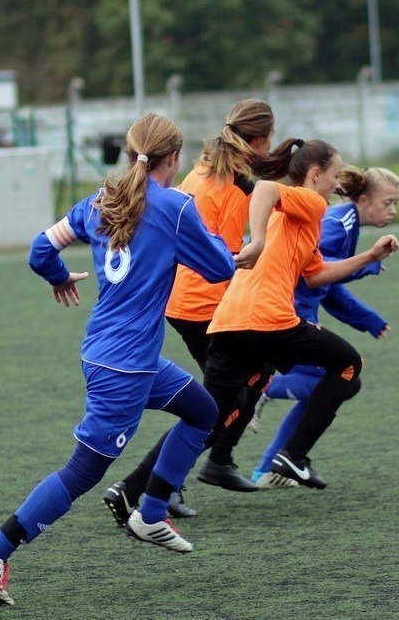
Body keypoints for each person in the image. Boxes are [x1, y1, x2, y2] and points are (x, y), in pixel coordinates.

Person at [0, 113, 250, 606]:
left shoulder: (101, 199)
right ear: (174, 157)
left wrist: (58, 276)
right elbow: (219, 267)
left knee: (203, 411)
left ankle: (151, 512)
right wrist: (231, 248)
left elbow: (40, 249)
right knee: (83, 472)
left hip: (112, 354)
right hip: (126, 368)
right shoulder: (176, 207)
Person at [102, 99, 277, 527]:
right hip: (206, 306)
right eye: (270, 138)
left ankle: (211, 463)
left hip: (188, 301)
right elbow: (232, 251)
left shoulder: (207, 167)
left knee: (246, 384)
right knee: (214, 407)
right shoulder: (237, 183)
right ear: (259, 140)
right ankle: (142, 487)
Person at [201, 139, 399, 490]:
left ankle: (261, 466)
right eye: (388, 202)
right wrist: (257, 241)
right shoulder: (326, 213)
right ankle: (282, 447)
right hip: (274, 316)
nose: (393, 210)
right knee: (343, 372)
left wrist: (369, 264)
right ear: (317, 174)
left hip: (253, 314)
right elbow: (266, 191)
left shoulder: (328, 217)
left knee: (218, 412)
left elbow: (316, 275)